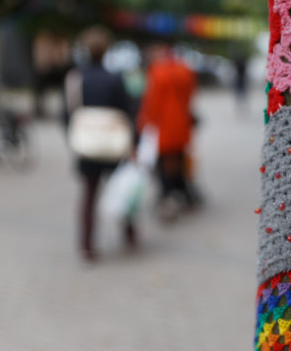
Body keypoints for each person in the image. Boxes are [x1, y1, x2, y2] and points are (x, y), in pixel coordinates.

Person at [64, 26, 135, 261]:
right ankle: (129, 235)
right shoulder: (115, 78)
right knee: (122, 191)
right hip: (113, 145)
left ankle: (87, 246)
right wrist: (132, 143)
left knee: (89, 196)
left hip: (87, 146)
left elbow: (66, 114)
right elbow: (128, 112)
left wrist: (73, 137)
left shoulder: (76, 77)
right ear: (106, 51)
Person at [137, 43, 196, 219]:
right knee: (178, 158)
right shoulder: (185, 70)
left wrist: (144, 122)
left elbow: (152, 101)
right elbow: (190, 96)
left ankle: (168, 196)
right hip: (181, 122)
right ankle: (183, 195)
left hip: (163, 124)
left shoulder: (156, 71)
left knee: (164, 162)